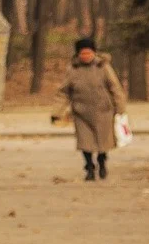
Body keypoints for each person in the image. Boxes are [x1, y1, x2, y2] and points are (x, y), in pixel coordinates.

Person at [52, 38, 126, 182]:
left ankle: (102, 162)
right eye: (83, 54)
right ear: (78, 54)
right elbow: (63, 92)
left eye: (88, 53)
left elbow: (115, 88)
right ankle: (89, 167)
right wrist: (57, 112)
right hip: (81, 113)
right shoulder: (73, 69)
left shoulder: (103, 67)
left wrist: (120, 108)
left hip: (103, 112)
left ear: (94, 53)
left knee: (103, 143)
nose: (86, 56)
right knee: (85, 143)